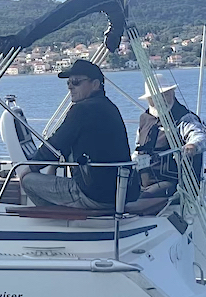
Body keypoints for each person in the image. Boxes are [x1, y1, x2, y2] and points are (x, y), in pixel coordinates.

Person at [19, 60, 131, 210]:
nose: (70, 86)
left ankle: (57, 219)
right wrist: (50, 166)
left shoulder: (82, 109)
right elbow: (63, 145)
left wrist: (31, 167)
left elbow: (57, 142)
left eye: (76, 82)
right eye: (69, 82)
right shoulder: (109, 107)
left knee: (27, 180)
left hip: (93, 194)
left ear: (95, 84)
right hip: (118, 192)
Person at [134, 75, 206, 198]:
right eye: (155, 97)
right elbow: (137, 150)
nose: (161, 100)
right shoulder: (144, 119)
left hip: (172, 183)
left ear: (173, 94)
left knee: (141, 199)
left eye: (165, 95)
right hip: (143, 180)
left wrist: (192, 146)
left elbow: (201, 138)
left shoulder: (184, 118)